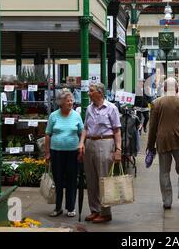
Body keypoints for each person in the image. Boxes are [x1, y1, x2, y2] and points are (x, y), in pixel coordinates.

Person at [147, 77, 179, 209]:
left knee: (164, 172)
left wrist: (150, 146)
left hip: (163, 141)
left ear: (164, 89)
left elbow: (152, 127)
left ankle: (167, 202)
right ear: (177, 89)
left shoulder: (156, 103)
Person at [80, 82, 122, 223]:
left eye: (91, 91)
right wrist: (82, 143)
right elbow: (85, 128)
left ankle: (105, 212)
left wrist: (118, 150)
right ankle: (94, 210)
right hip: (90, 143)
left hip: (105, 143)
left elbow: (117, 130)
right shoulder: (88, 109)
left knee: (103, 179)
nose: (89, 93)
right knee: (91, 180)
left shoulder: (111, 108)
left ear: (100, 92)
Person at [44, 90, 84, 218]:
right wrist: (47, 152)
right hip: (56, 153)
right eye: (67, 101)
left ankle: (71, 208)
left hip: (72, 153)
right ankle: (58, 207)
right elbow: (48, 134)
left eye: (71, 100)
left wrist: (81, 146)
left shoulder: (76, 116)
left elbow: (82, 132)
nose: (70, 103)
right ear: (61, 102)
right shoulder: (53, 116)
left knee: (72, 180)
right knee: (58, 180)